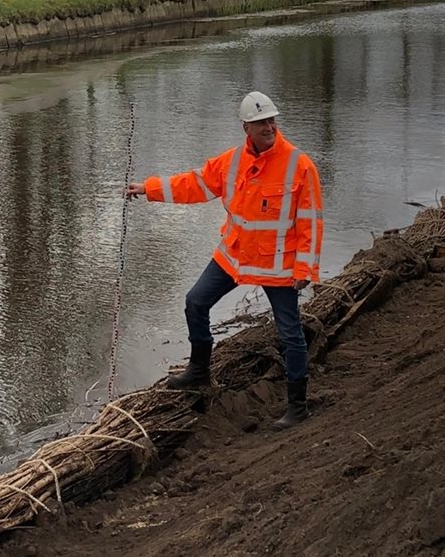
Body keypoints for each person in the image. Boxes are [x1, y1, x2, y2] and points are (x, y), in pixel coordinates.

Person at [127, 91, 323, 430]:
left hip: (278, 266)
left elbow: (311, 221)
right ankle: (200, 372)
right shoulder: (231, 162)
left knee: (290, 334)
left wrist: (304, 268)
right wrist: (148, 188)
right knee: (195, 302)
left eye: (272, 120)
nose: (269, 127)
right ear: (246, 126)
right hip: (235, 256)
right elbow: (194, 185)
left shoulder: (298, 165)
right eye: (262, 122)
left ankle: (297, 406)